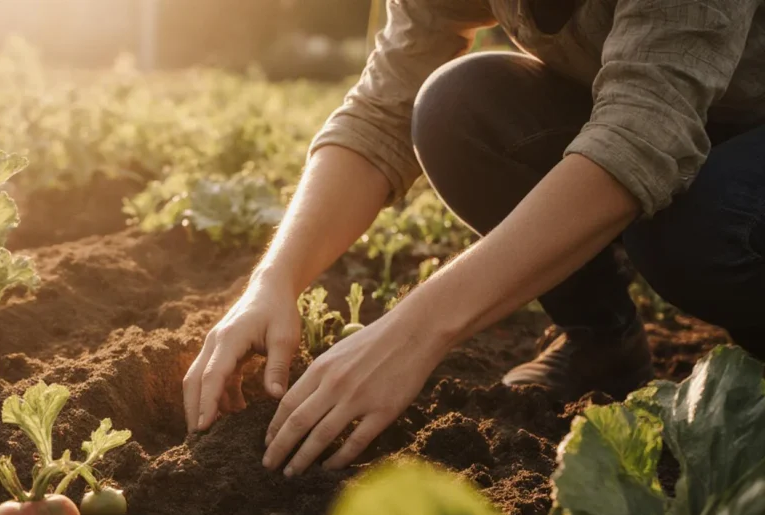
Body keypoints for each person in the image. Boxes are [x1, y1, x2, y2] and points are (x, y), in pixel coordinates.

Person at [183, 0, 765, 477]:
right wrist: (274, 279)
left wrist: (414, 332)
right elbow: (383, 107)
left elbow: (644, 136)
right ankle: (604, 345)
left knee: (701, 223)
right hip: (689, 109)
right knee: (457, 105)